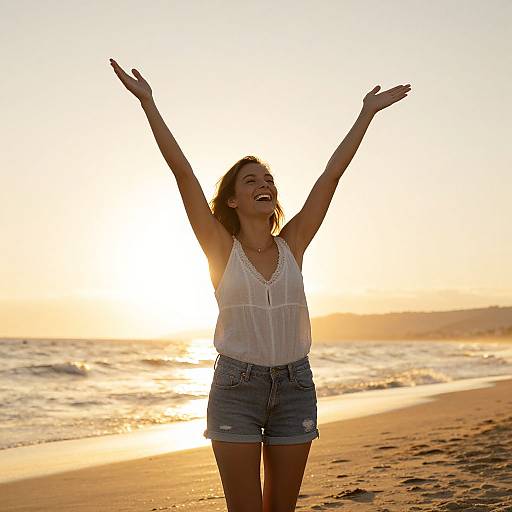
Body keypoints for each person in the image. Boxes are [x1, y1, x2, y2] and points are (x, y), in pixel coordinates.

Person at [109, 57, 411, 512]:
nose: (263, 183)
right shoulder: (219, 248)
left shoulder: (294, 244)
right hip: (236, 388)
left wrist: (365, 113)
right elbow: (183, 174)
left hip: (295, 385)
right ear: (233, 199)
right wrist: (149, 104)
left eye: (268, 178)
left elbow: (331, 175)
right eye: (250, 180)